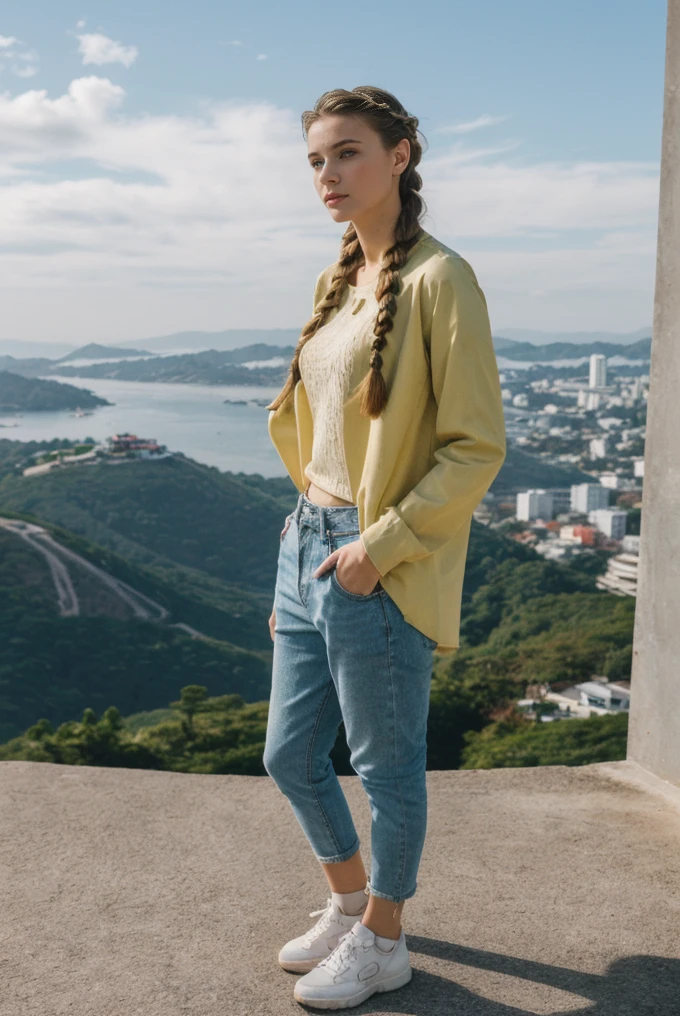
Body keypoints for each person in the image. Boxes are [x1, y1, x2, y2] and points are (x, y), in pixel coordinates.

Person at [264, 85, 507, 1010]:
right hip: (305, 545)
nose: (328, 175)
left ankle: (385, 940)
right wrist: (308, 528)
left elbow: (475, 446)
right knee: (290, 756)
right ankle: (349, 901)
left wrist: (378, 544)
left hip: (374, 558)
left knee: (385, 766)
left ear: (402, 156)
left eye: (349, 153)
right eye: (318, 159)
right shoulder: (342, 276)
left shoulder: (442, 280)